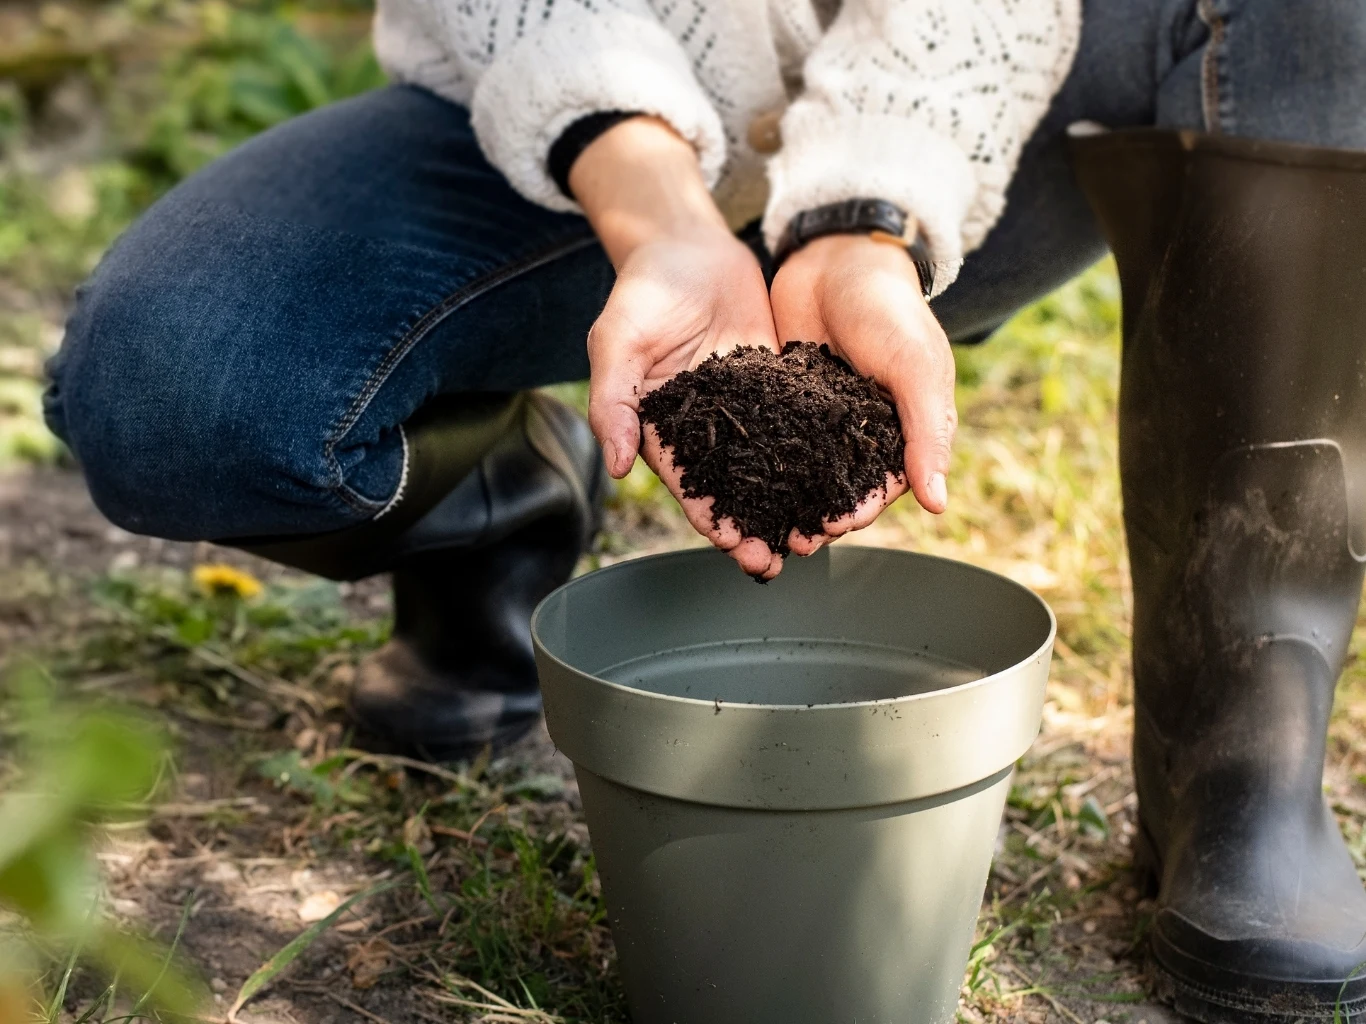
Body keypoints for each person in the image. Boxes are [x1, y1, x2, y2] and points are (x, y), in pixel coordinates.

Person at [41, 0, 1366, 1019]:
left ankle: (1239, 764)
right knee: (175, 386)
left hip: (961, 125)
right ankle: (502, 498)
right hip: (556, 128)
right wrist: (647, 193)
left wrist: (866, 216)